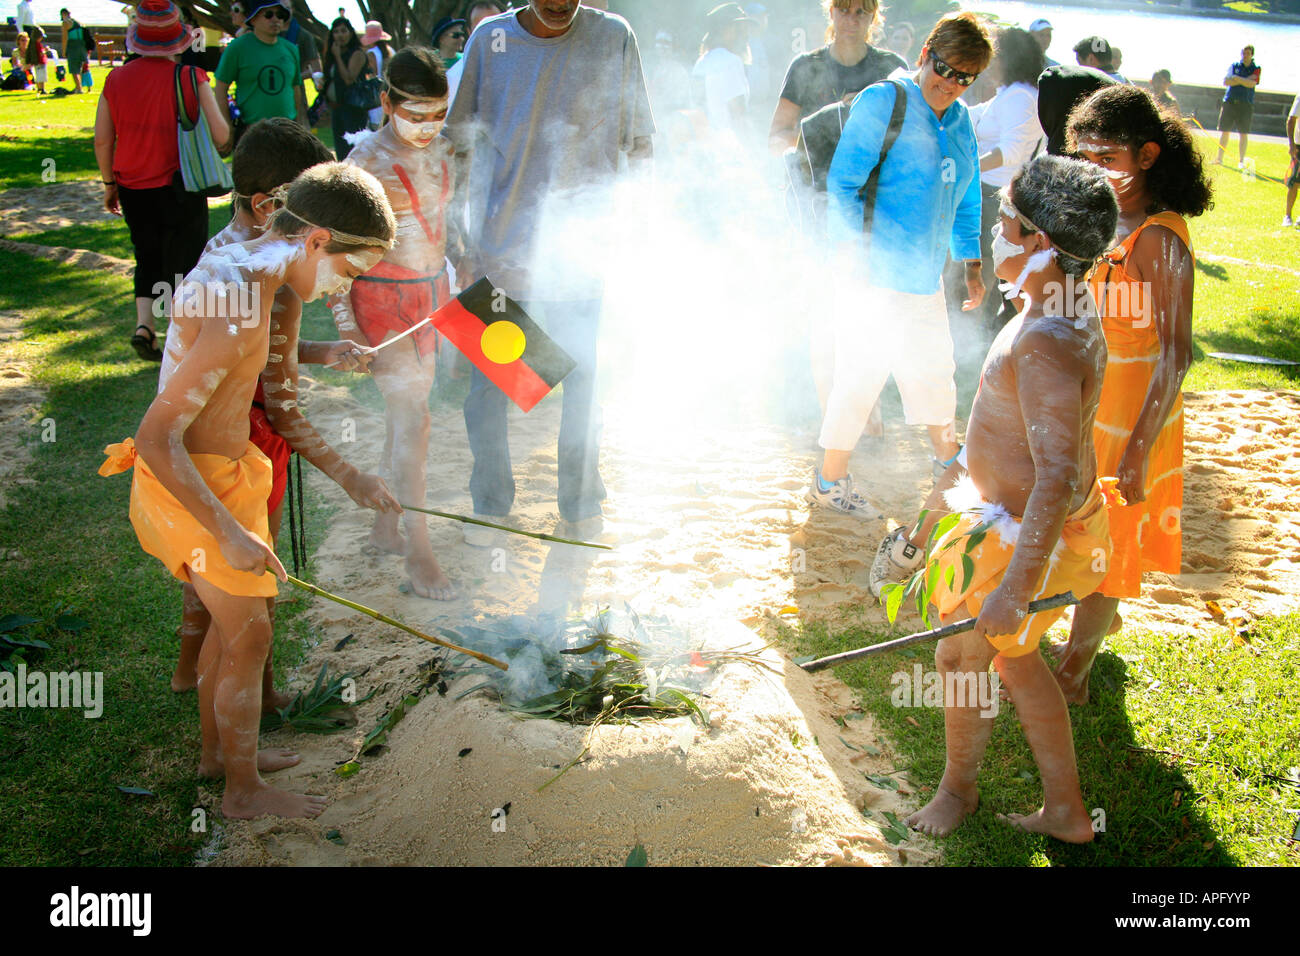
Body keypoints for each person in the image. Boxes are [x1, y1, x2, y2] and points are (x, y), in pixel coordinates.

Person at [100, 162, 396, 820]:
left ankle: (219, 758)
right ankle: (240, 791)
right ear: (318, 241)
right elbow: (156, 438)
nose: (341, 289)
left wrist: (322, 352)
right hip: (192, 482)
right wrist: (230, 533)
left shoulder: (250, 266)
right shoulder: (239, 301)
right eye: (348, 273)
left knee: (230, 633)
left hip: (221, 473)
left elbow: (245, 357)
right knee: (250, 637)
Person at [904, 154, 1118, 841]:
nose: (993, 231)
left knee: (962, 657)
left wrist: (1016, 588)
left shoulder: (1046, 343)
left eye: (1004, 220)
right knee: (1015, 664)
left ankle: (957, 791)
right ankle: (1066, 811)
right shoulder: (1057, 304)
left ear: (1041, 243)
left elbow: (1053, 475)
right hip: (1020, 524)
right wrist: (956, 480)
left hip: (1027, 537)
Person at [171, 118, 398, 698]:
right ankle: (256, 692)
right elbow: (282, 408)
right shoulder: (264, 288)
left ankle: (189, 672)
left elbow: (255, 353)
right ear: (271, 205)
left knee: (209, 568)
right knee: (247, 579)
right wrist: (352, 477)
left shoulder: (228, 249)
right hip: (236, 441)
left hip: (211, 429)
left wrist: (320, 351)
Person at [446, 0, 654, 542]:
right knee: (490, 390)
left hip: (583, 254)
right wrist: (457, 236)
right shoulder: (490, 41)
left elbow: (640, 144)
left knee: (583, 384)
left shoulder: (614, 36)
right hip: (499, 249)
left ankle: (581, 504)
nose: (559, 2)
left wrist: (636, 225)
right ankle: (490, 506)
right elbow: (458, 147)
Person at [1052, 84, 1212, 704]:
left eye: (1108, 159)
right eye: (1084, 158)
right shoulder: (1096, 221)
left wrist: (1140, 448)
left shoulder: (1159, 240)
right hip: (1088, 405)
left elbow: (1177, 352)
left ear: (1147, 156)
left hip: (1132, 417)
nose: (1094, 171)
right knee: (1079, 528)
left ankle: (1073, 677)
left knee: (1108, 543)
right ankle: (1095, 620)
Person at [813, 12, 990, 516]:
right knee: (861, 376)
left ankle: (948, 465)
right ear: (924, 54)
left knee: (936, 370)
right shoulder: (884, 102)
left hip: (923, 275)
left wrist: (971, 261)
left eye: (964, 77)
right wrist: (848, 255)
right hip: (870, 274)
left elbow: (967, 193)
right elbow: (843, 184)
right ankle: (830, 481)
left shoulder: (959, 120)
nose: (950, 83)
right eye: (944, 68)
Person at [332, 47, 459, 600]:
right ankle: (420, 554)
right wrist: (348, 329)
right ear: (386, 102)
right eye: (416, 114)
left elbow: (442, 222)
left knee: (402, 418)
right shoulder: (361, 164)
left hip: (430, 299)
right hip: (382, 303)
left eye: (439, 114)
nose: (429, 127)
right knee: (416, 422)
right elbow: (334, 257)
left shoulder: (445, 148)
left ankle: (386, 524)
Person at [94, 0, 231, 362]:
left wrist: (109, 184)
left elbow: (103, 139)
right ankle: (178, 334)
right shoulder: (190, 77)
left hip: (131, 185)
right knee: (184, 261)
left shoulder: (115, 78)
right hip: (179, 184)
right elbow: (220, 135)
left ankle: (144, 327)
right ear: (180, 40)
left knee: (147, 255)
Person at [968, 26, 1044, 335]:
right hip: (990, 195)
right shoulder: (1008, 95)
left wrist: (970, 168)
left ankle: (983, 340)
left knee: (988, 274)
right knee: (992, 274)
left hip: (994, 197)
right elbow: (971, 115)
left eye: (992, 54)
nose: (987, 62)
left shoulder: (1020, 97)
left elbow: (1012, 150)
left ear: (1007, 58)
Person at [768, 0, 906, 154]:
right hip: (814, 175)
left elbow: (910, 135)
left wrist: (869, 106)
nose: (851, 20)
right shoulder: (805, 66)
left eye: (860, 12)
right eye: (844, 11)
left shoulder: (892, 67)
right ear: (832, 13)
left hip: (875, 176)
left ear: (873, 17)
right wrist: (824, 128)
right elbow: (775, 140)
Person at [214, 0, 306, 146]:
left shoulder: (291, 49)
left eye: (280, 15)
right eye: (268, 14)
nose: (276, 19)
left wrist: (300, 124)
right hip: (251, 132)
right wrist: (227, 125)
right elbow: (220, 87)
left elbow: (295, 88)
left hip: (287, 131)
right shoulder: (237, 48)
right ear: (253, 19)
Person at [693, 3, 752, 137]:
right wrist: (750, 150)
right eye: (740, 28)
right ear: (726, 30)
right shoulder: (730, 61)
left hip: (705, 142)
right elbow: (738, 115)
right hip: (728, 146)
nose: (745, 34)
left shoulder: (701, 62)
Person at [322, 17, 369, 158]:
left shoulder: (357, 53)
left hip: (353, 109)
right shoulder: (332, 54)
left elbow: (349, 79)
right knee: (341, 150)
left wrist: (337, 57)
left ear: (350, 33)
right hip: (337, 107)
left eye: (344, 31)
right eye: (336, 32)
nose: (340, 35)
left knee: (352, 151)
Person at [445, 1, 507, 104]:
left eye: (495, 24)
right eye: (480, 26)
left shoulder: (527, 68)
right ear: (470, 32)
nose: (489, 32)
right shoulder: (454, 79)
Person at [1215, 45, 1259, 168]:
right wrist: (1244, 80)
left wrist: (1236, 78)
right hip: (1230, 102)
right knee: (1225, 131)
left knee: (1243, 133)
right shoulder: (1234, 66)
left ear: (1252, 55)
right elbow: (1226, 81)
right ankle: (1219, 158)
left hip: (1245, 104)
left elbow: (1252, 84)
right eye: (1243, 53)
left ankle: (1241, 161)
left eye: (1248, 53)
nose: (1245, 56)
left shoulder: (1256, 69)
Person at [360, 20, 395, 128]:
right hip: (391, 94)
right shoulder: (391, 51)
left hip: (377, 97)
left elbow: (372, 76)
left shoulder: (371, 53)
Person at [60, 8, 90, 93]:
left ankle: (79, 88)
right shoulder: (78, 22)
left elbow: (65, 38)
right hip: (82, 46)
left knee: (73, 69)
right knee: (79, 67)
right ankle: (78, 87)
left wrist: (64, 51)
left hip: (73, 47)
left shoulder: (66, 23)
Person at [1284, 93, 1299, 228]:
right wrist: (1292, 145)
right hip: (1299, 147)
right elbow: (1291, 120)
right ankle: (1287, 215)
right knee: (1294, 182)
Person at [25, 23, 47, 94]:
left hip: (37, 63)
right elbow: (41, 53)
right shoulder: (38, 44)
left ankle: (39, 88)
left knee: (38, 76)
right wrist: (45, 50)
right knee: (42, 77)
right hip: (41, 62)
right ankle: (42, 89)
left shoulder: (32, 44)